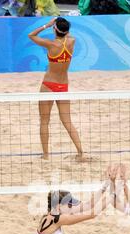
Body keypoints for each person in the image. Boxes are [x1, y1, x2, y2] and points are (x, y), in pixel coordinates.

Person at [28, 17, 87, 162]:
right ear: (67, 31)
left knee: (44, 121)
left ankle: (46, 155)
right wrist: (59, 26)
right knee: (67, 121)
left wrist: (46, 25)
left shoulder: (51, 44)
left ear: (54, 29)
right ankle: (81, 152)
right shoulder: (72, 41)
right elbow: (66, 34)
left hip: (49, 85)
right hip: (63, 86)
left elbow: (31, 35)